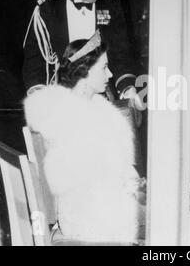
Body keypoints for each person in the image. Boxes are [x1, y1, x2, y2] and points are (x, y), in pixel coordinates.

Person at [24, 32, 140, 244]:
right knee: (177, 222)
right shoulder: (67, 116)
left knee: (181, 218)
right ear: (85, 71)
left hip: (104, 204)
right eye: (104, 67)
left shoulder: (96, 110)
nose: (111, 74)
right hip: (86, 216)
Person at [23, 0, 140, 105]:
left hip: (101, 100)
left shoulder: (112, 5)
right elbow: (34, 64)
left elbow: (122, 55)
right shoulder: (47, 10)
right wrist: (41, 102)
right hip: (59, 101)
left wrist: (128, 89)